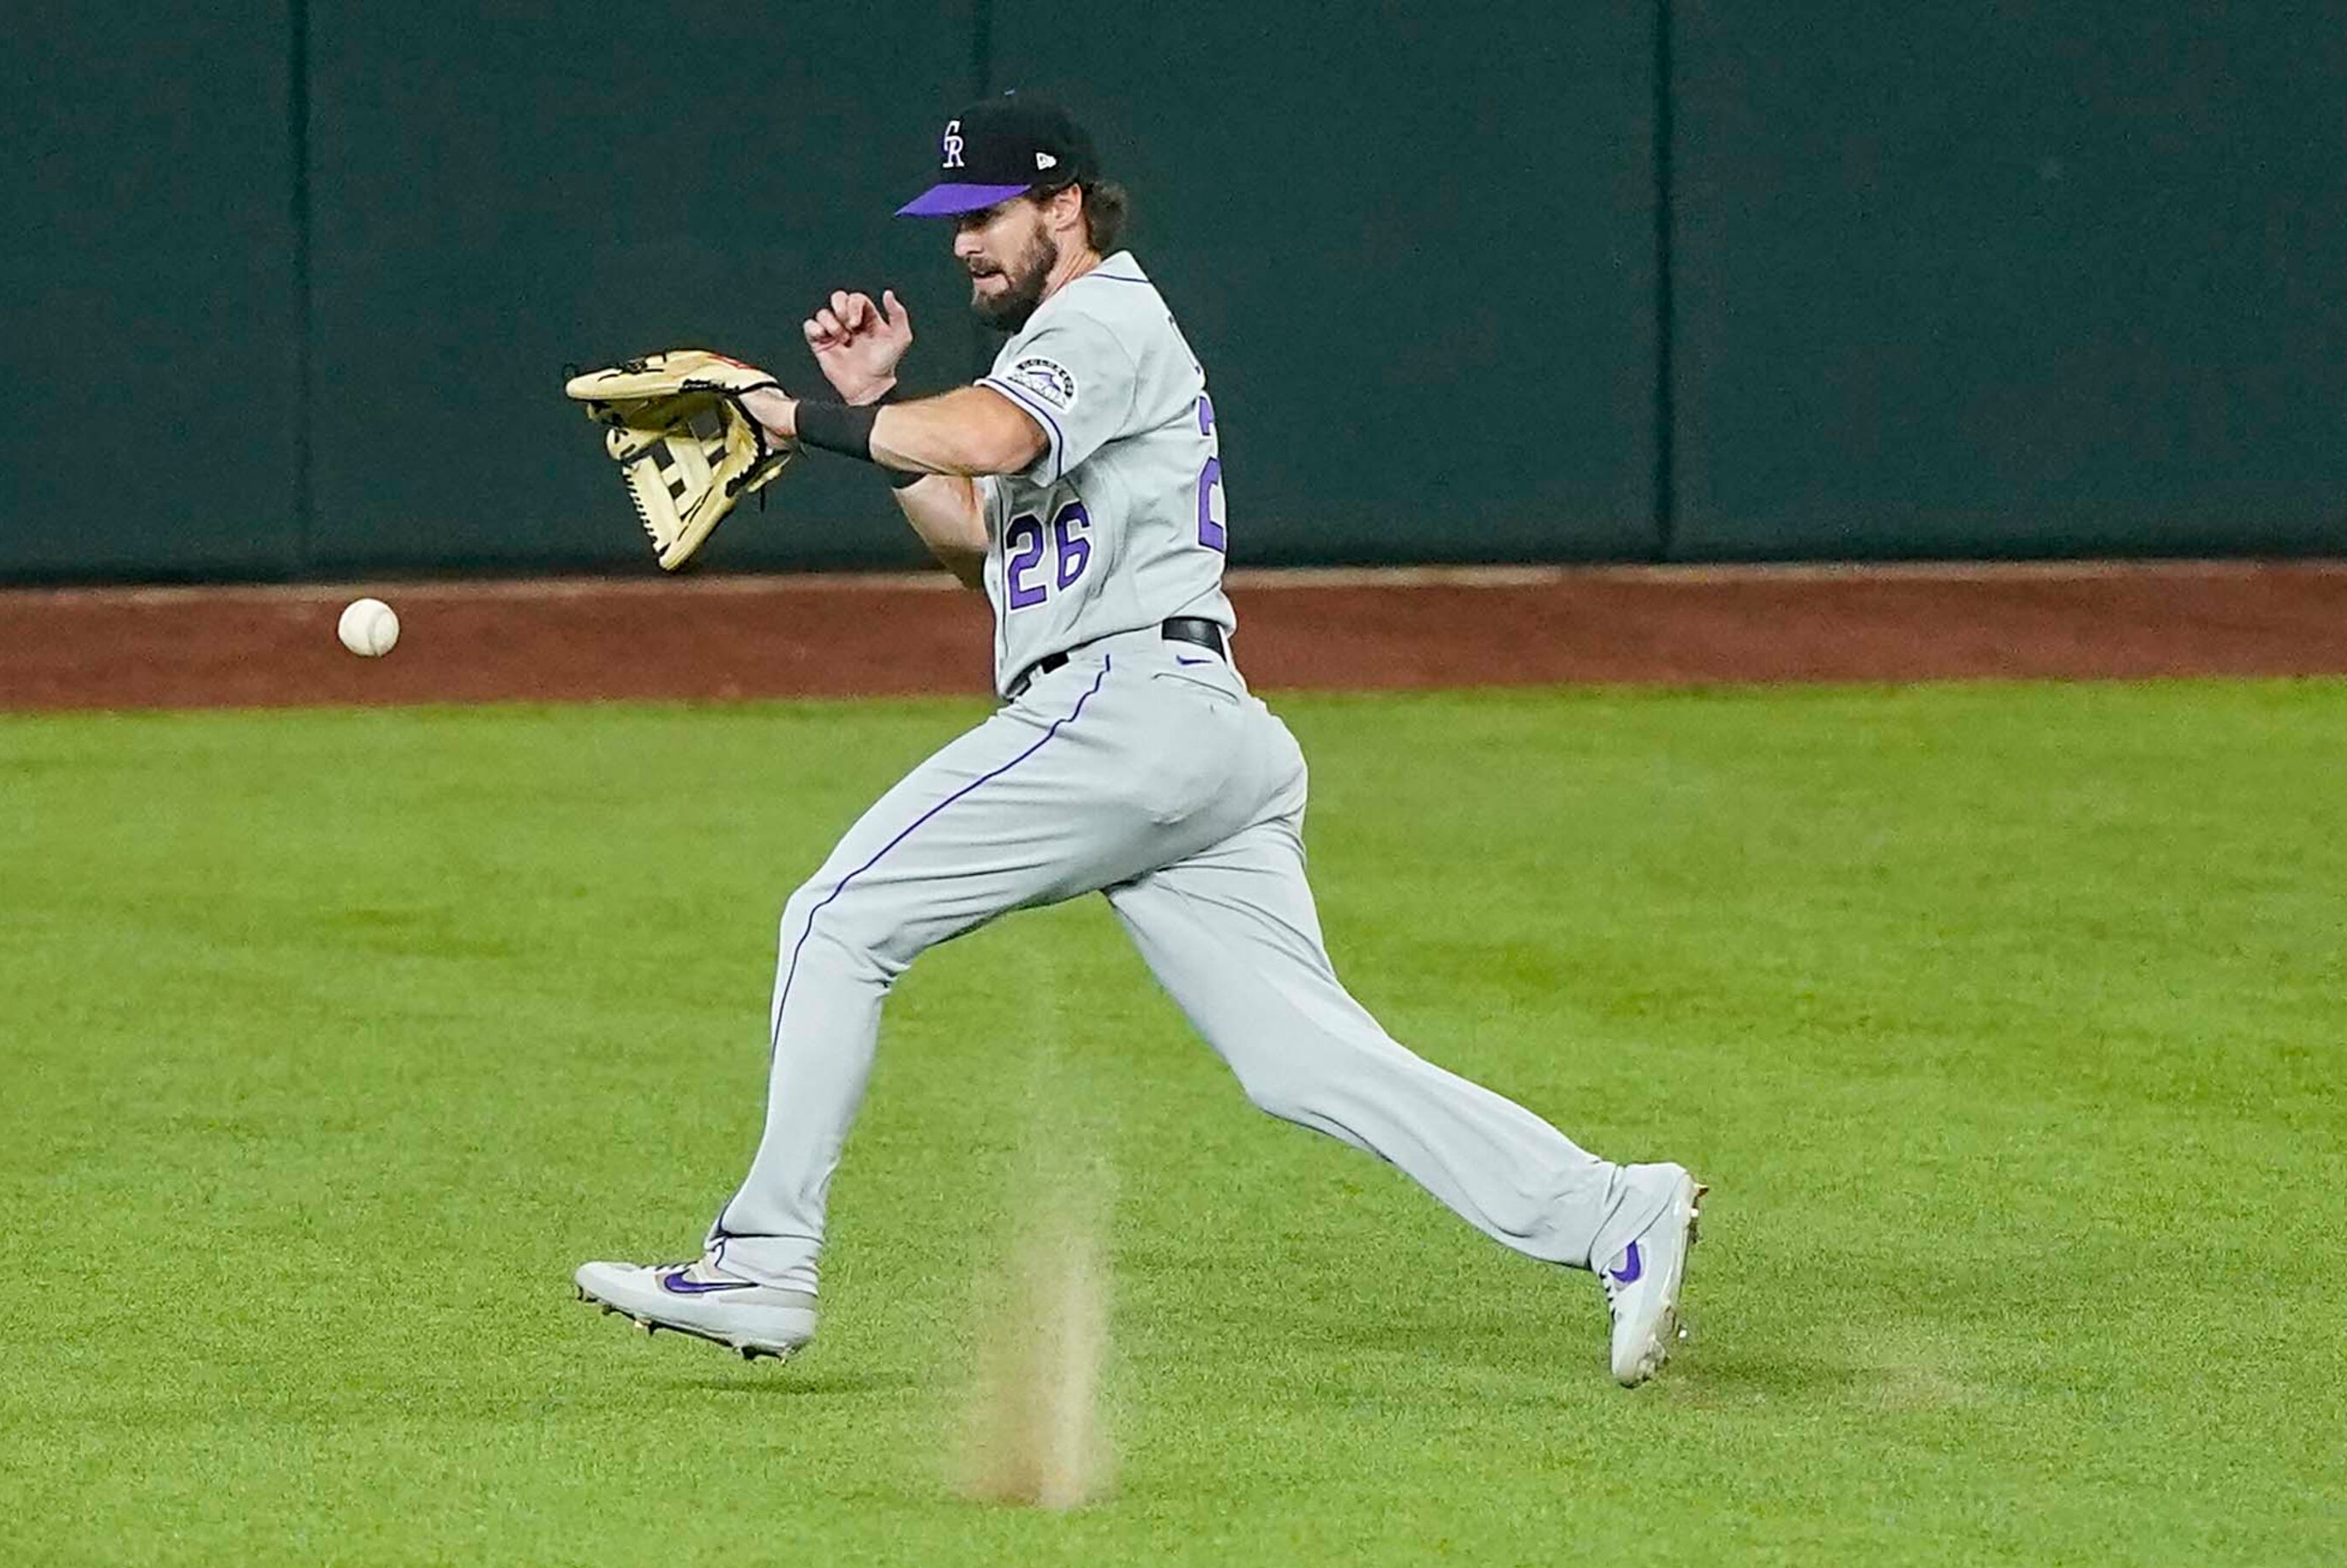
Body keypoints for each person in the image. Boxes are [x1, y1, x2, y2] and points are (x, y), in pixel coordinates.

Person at [573, 93, 1704, 1385]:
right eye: (952, 221)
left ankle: (765, 1257)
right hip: (1191, 731)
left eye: (984, 216)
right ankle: (1616, 1208)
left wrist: (792, 418)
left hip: (1126, 716)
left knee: (836, 917)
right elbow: (984, 556)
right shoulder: (1062, 345)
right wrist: (876, 404)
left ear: (1065, 204)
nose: (960, 246)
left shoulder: (1102, 322)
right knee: (1303, 1057)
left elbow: (992, 435)